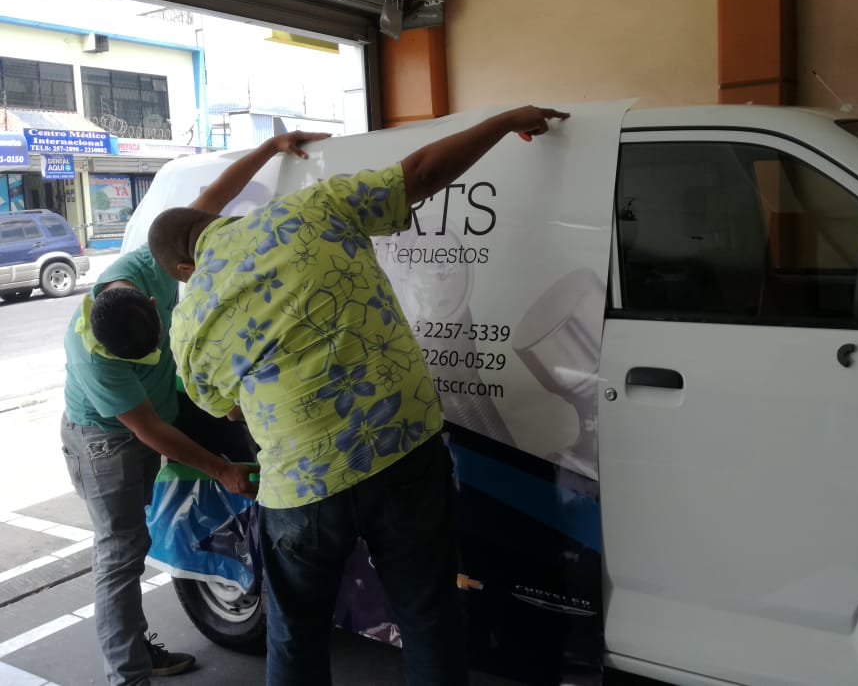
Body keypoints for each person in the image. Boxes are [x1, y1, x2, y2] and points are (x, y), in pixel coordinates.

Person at [146, 105, 569, 686]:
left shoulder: (189, 323)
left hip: (303, 489)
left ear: (184, 267)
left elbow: (232, 407)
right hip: (403, 452)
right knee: (429, 614)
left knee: (295, 634)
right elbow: (420, 173)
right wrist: (505, 120)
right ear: (210, 220)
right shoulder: (311, 208)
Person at [61, 130, 329, 686]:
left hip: (161, 402)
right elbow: (150, 431)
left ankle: (135, 649)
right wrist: (223, 470)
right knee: (121, 550)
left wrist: (271, 148)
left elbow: (208, 204)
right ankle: (128, 674)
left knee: (245, 435)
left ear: (149, 297)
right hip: (106, 439)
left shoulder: (148, 264)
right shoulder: (95, 357)